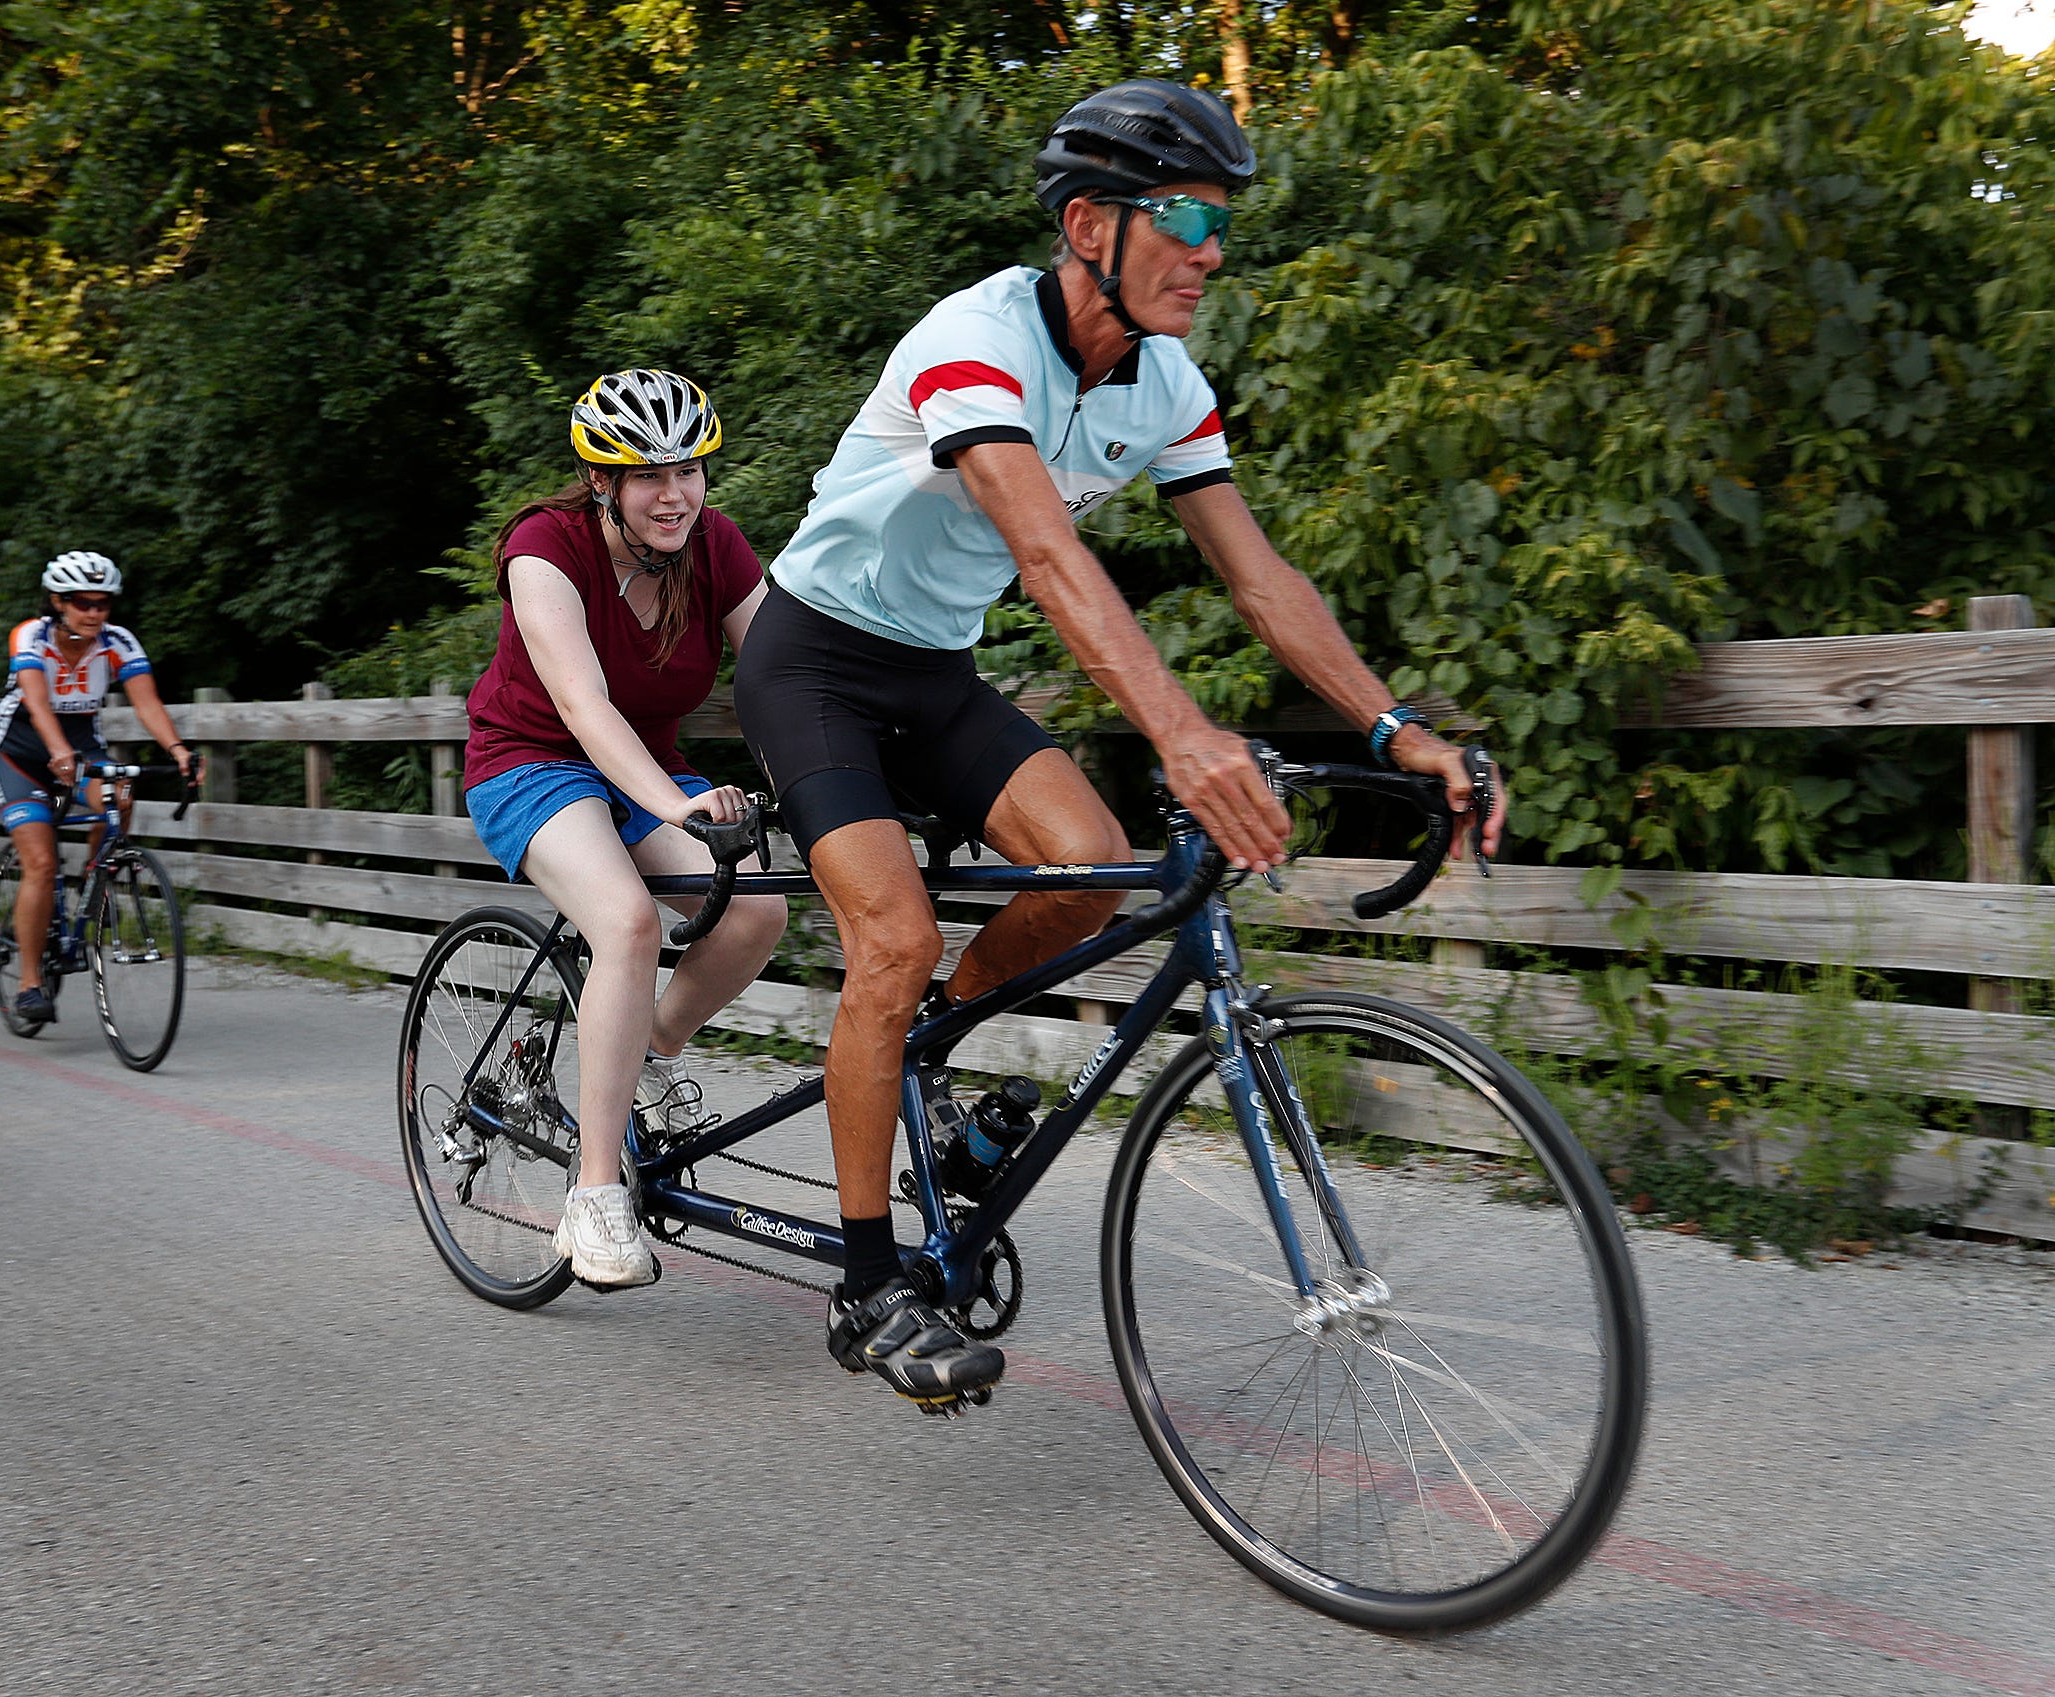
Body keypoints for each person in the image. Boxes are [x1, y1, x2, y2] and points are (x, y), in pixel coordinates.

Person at [734, 79, 1508, 1407]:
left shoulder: (1166, 383)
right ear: (1089, 223)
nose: (1212, 249)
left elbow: (1257, 576)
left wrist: (1396, 722)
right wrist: (1190, 737)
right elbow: (1045, 550)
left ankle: (915, 1058)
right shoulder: (971, 341)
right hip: (813, 661)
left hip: (933, 670)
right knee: (896, 939)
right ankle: (870, 1286)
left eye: (1223, 223)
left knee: (1090, 864)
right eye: (1189, 215)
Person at [462, 369, 789, 1290]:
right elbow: (581, 702)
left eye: (690, 470)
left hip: (648, 767)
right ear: (601, 482)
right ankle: (595, 1197)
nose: (675, 493)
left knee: (756, 909)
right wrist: (679, 803)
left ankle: (648, 1046)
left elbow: (779, 673)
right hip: (530, 759)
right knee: (628, 921)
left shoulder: (713, 545)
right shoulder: (544, 545)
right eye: (647, 476)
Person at [0, 551, 197, 1031]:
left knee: (120, 796)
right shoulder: (31, 635)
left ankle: (95, 883)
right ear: (59, 601)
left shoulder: (118, 642)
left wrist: (179, 749)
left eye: (104, 604)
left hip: (80, 747)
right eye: (83, 602)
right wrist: (57, 754)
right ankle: (30, 984)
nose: (94, 612)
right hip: (20, 751)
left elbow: (148, 703)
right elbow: (37, 704)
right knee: (39, 862)